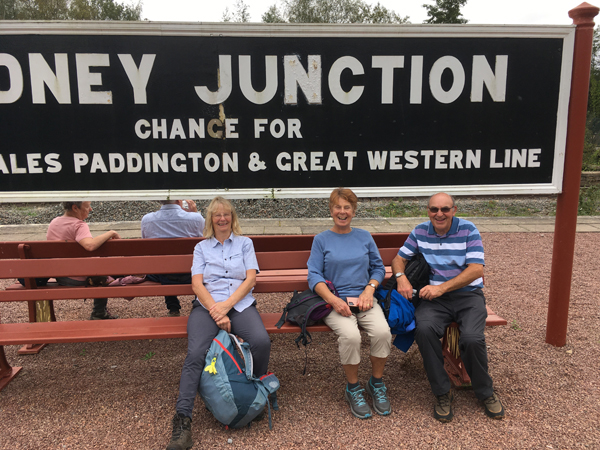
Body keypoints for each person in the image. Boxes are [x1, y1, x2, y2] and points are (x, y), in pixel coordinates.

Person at [166, 196, 271, 450]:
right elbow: (197, 284)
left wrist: (227, 306)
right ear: (210, 220)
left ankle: (254, 394)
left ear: (232, 218)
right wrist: (217, 311)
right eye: (217, 215)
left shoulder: (245, 244)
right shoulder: (201, 248)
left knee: (261, 342)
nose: (222, 218)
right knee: (195, 354)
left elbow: (250, 280)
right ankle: (183, 421)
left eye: (226, 214)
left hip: (239, 305)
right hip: (207, 307)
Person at [391, 192, 505, 422]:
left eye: (445, 209)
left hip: (468, 296)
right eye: (434, 209)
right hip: (435, 300)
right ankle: (442, 392)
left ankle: (485, 392)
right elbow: (398, 259)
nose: (439, 214)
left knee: (472, 339)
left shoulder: (468, 230)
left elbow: (476, 269)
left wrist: (441, 288)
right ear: (428, 211)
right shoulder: (420, 231)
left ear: (454, 210)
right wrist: (401, 278)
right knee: (423, 330)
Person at [307, 188, 392, 420]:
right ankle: (353, 388)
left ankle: (376, 383)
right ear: (331, 210)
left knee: (383, 332)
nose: (342, 212)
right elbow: (313, 275)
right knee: (351, 336)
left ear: (354, 211)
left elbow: (378, 268)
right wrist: (333, 300)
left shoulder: (364, 237)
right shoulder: (321, 240)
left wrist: (369, 289)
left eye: (347, 207)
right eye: (338, 207)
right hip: (334, 301)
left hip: (365, 299)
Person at [46, 201, 121, 320]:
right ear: (75, 208)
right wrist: (111, 232)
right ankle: (99, 312)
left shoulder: (54, 222)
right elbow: (90, 245)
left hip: (60, 276)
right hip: (77, 278)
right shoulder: (79, 225)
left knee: (100, 267)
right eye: (87, 206)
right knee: (101, 272)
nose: (90, 209)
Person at [141, 199, 205, 316]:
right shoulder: (196, 218)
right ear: (178, 199)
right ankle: (197, 303)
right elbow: (205, 242)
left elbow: (146, 246)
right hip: (191, 274)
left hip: (163, 275)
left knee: (164, 263)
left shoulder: (147, 220)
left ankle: (173, 307)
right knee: (199, 263)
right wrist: (195, 213)